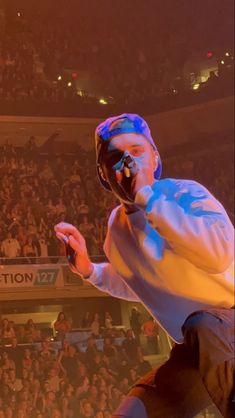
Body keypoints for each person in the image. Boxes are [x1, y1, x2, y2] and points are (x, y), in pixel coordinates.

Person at [55, 113, 234, 418]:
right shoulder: (117, 227)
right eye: (116, 157)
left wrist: (148, 199)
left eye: (136, 151)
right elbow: (141, 282)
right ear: (103, 174)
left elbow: (219, 255)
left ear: (155, 158)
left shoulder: (184, 193)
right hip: (196, 348)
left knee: (201, 323)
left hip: (223, 326)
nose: (128, 162)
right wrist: (90, 271)